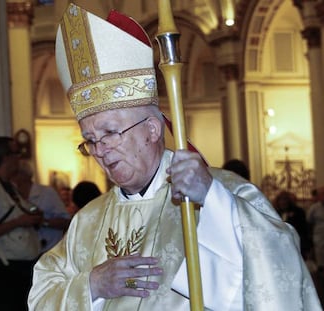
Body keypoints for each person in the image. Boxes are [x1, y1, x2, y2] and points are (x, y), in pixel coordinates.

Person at [28, 4, 320, 310]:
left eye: (110, 133)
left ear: (152, 129)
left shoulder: (218, 192)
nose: (100, 150)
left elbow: (279, 259)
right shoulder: (88, 221)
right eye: (90, 141)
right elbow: (41, 293)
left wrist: (212, 199)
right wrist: (92, 285)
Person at [0, 136, 42, 311]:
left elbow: (22, 210)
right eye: (16, 153)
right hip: (2, 271)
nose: (19, 158)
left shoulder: (8, 185)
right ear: (6, 158)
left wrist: (34, 214)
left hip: (18, 269)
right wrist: (19, 222)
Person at [11, 160, 71, 253]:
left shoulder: (47, 193)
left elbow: (66, 222)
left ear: (23, 175)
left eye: (14, 173)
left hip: (49, 251)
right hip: (25, 252)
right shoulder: (12, 195)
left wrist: (43, 222)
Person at [273, 190, 310, 259]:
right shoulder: (275, 213)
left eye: (285, 200)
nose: (283, 202)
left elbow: (303, 229)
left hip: (295, 243)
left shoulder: (298, 212)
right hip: (280, 244)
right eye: (281, 200)